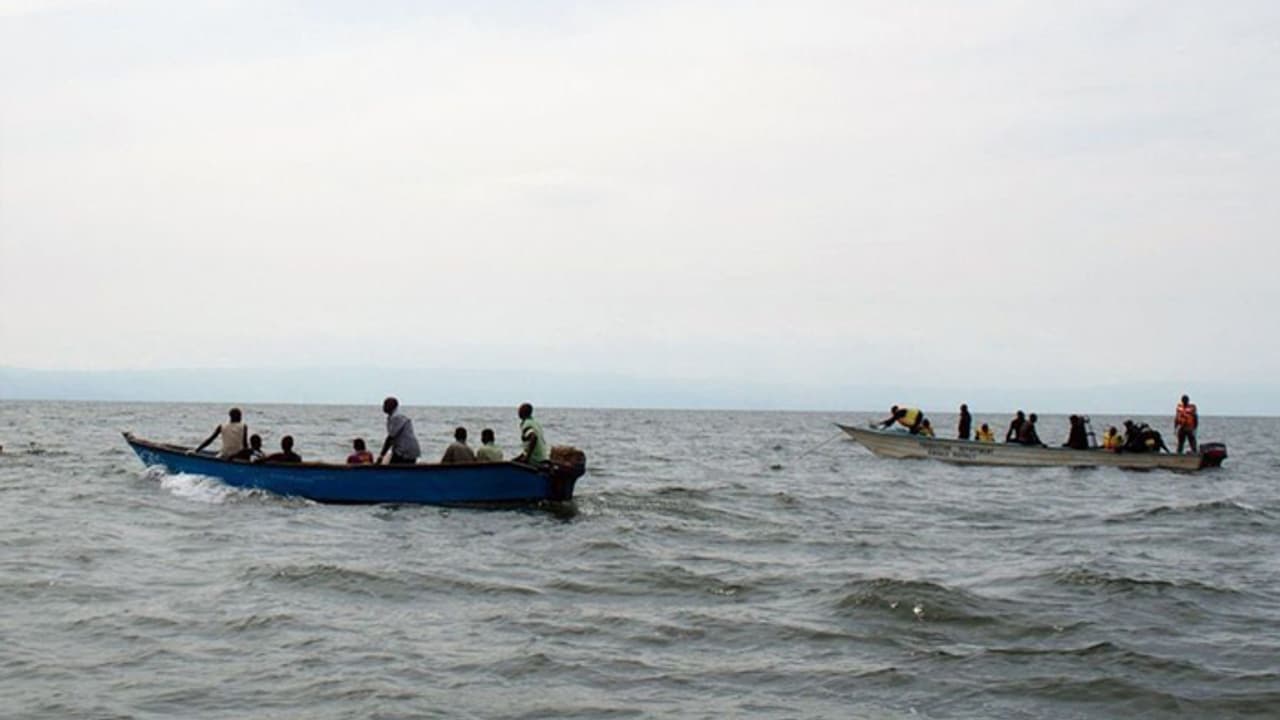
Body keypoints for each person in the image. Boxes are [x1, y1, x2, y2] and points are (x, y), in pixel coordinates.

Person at [377, 396, 421, 465]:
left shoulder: (397, 417)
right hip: (401, 450)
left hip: (406, 451)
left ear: (393, 406)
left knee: (394, 469)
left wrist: (381, 455)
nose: (383, 407)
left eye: (386, 404)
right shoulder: (391, 417)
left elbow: (391, 437)